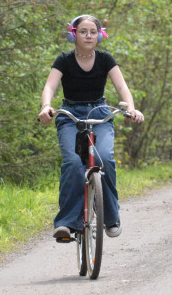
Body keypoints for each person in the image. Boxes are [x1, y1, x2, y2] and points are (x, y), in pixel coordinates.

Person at [38, 15, 144, 243]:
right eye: (83, 31)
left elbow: (122, 86)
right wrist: (46, 106)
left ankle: (111, 218)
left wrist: (132, 109)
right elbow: (50, 85)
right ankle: (66, 222)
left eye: (93, 32)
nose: (88, 36)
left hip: (100, 113)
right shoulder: (64, 60)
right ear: (73, 34)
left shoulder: (105, 59)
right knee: (73, 163)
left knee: (104, 158)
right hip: (69, 115)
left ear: (99, 35)